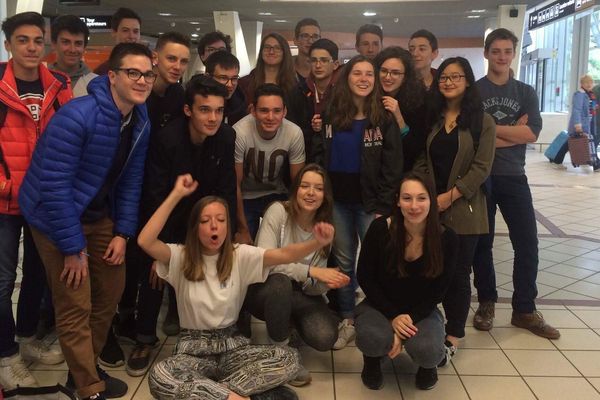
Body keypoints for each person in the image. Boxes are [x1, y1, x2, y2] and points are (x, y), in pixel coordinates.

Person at [19, 42, 155, 400]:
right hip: (53, 217)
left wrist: (123, 232)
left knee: (109, 294)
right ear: (112, 76)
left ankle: (82, 371)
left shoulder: (140, 120)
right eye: (133, 73)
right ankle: (88, 388)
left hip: (98, 216)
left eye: (148, 74)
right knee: (75, 303)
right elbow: (54, 186)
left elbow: (131, 181)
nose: (142, 80)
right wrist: (72, 247)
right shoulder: (78, 116)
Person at [140, 174, 335, 400]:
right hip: (192, 350)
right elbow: (145, 241)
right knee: (160, 375)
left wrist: (316, 242)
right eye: (205, 221)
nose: (214, 226)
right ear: (195, 227)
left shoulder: (239, 255)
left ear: (227, 225)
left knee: (289, 358)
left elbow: (283, 255)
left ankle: (214, 393)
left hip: (232, 347)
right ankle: (236, 396)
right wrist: (176, 195)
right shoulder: (180, 256)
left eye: (221, 220)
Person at [121, 75, 236, 378]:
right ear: (188, 110)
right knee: (154, 273)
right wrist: (161, 251)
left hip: (206, 214)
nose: (213, 118)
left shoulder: (226, 137)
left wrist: (226, 231)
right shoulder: (167, 139)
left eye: (219, 111)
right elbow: (155, 196)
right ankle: (144, 339)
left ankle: (221, 333)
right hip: (167, 212)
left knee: (220, 263)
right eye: (205, 110)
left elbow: (225, 188)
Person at [99, 31, 192, 369]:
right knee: (116, 267)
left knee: (152, 267)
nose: (177, 66)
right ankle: (109, 330)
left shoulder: (180, 95)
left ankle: (142, 337)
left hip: (158, 193)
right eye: (171, 58)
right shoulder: (132, 93)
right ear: (156, 57)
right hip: (120, 190)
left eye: (183, 60)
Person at [471, 28, 560, 339]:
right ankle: (486, 303)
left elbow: (531, 134)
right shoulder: (474, 91)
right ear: (486, 53)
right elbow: (470, 138)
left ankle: (524, 308)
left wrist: (492, 131)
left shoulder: (525, 92)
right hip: (480, 176)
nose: (502, 57)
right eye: (496, 51)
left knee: (527, 242)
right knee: (483, 243)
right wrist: (511, 129)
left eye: (507, 51)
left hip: (514, 177)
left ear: (513, 54)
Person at [0, 11, 72, 390]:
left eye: (36, 41)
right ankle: (5, 355)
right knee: (2, 279)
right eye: (22, 40)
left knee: (39, 274)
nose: (31, 47)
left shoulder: (58, 85)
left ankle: (26, 338)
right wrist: (6, 184)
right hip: (5, 202)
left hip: (46, 197)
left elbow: (71, 137)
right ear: (9, 44)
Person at [312, 55, 404, 349]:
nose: (363, 79)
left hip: (371, 203)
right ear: (346, 78)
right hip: (337, 201)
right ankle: (348, 318)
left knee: (382, 260)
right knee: (344, 262)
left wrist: (384, 206)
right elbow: (319, 157)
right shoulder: (330, 114)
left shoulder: (384, 117)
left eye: (369, 74)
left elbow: (393, 166)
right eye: (357, 74)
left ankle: (387, 314)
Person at [414, 56, 495, 365]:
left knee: (458, 275)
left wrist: (450, 196)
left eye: (456, 77)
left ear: (467, 81)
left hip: (466, 209)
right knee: (431, 268)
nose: (448, 82)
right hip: (431, 207)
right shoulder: (434, 118)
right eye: (444, 77)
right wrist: (423, 193)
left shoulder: (481, 121)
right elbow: (425, 159)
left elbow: (482, 167)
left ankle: (453, 335)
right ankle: (427, 326)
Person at [243, 164, 350, 387]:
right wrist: (310, 271)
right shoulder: (278, 211)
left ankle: (286, 325)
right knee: (280, 283)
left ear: (325, 195)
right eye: (305, 186)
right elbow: (266, 261)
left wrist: (325, 282)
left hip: (299, 294)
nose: (311, 193)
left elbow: (312, 288)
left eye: (318, 188)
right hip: (264, 290)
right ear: (295, 190)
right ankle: (281, 356)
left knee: (325, 337)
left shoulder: (324, 226)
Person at [355, 173, 458, 391]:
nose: (414, 206)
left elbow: (439, 291)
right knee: (372, 338)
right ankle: (372, 361)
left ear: (432, 200)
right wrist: (393, 317)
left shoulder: (447, 238)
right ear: (397, 201)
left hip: (421, 310)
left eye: (421, 198)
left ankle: (426, 367)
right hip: (379, 305)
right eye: (407, 198)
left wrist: (408, 321)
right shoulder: (380, 229)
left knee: (429, 351)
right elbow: (365, 276)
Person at [233, 83, 305, 244]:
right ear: (253, 111)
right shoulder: (239, 132)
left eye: (277, 111)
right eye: (264, 110)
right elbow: (234, 184)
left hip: (277, 193)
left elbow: (298, 182)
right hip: (245, 196)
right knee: (245, 249)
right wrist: (242, 229)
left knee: (280, 244)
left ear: (285, 112)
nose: (270, 117)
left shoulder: (294, 133)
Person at [374, 46, 428, 172]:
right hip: (374, 171)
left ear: (406, 76)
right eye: (384, 71)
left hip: (405, 171)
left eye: (395, 73)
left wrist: (399, 118)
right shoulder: (369, 96)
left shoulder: (419, 101)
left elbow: (416, 149)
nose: (388, 77)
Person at [287, 38, 340, 161]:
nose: (318, 65)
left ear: (335, 64)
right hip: (303, 155)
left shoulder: (344, 93)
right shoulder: (297, 92)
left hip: (336, 156)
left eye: (324, 60)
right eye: (314, 60)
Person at [238, 33, 296, 110]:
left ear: (284, 52)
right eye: (267, 47)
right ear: (261, 52)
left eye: (277, 48)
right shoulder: (244, 83)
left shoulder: (294, 85)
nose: (271, 52)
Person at [93, 8, 142, 75]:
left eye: (135, 31)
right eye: (125, 30)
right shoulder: (102, 71)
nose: (131, 36)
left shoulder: (148, 68)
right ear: (114, 32)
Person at [204, 51, 247, 125]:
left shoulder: (241, 105)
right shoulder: (194, 101)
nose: (229, 84)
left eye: (234, 78)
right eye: (223, 78)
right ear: (208, 77)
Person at [49, 15, 91, 89]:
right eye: (66, 42)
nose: (72, 50)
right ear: (53, 44)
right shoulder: (40, 80)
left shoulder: (96, 84)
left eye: (78, 43)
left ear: (84, 47)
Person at [567, 74, 599, 169]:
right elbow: (577, 110)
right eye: (586, 82)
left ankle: (592, 162)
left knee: (581, 142)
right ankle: (594, 163)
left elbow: (590, 108)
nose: (589, 84)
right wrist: (577, 125)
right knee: (584, 143)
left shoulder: (590, 95)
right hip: (581, 124)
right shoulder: (580, 94)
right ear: (582, 84)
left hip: (587, 123)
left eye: (590, 82)